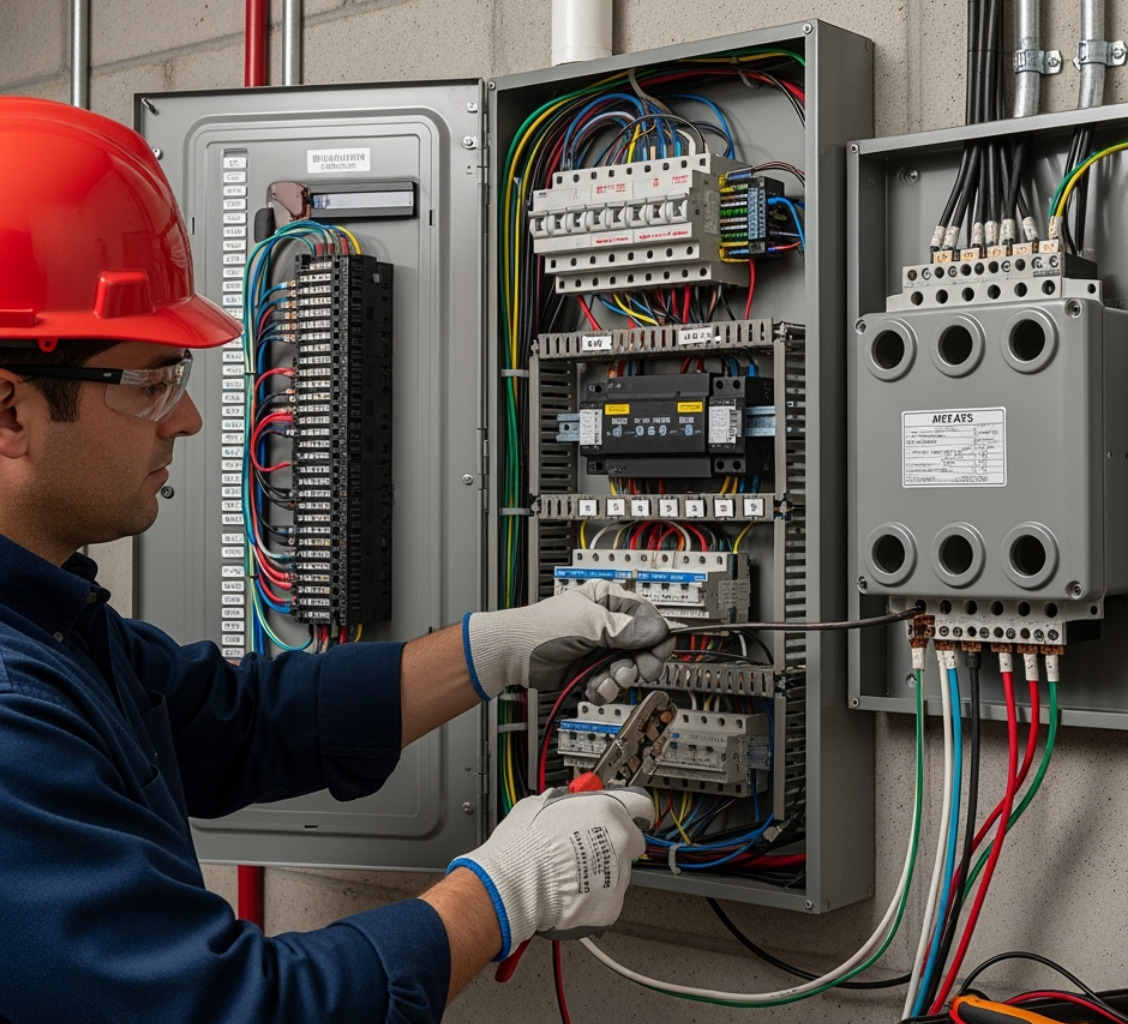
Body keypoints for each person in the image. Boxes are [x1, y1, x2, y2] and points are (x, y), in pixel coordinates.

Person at [0, 97, 675, 1023]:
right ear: (9, 412)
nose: (189, 419)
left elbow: (236, 722)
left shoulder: (49, 623)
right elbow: (238, 1010)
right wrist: (504, 891)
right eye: (153, 383)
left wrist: (498, 648)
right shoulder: (10, 709)